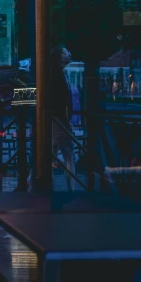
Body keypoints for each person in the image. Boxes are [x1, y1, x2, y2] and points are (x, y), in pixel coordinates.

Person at [48, 46, 77, 191]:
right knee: (68, 156)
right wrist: (66, 123)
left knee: (48, 156)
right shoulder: (58, 75)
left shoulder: (56, 73)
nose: (69, 54)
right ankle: (71, 188)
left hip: (55, 122)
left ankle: (36, 185)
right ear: (59, 57)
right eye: (66, 52)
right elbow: (59, 103)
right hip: (59, 122)